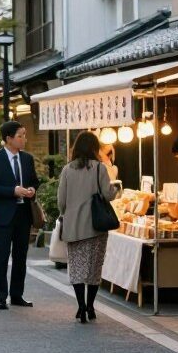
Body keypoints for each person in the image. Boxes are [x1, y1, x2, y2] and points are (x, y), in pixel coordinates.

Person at [59, 131, 116, 324]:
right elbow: (108, 195)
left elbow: (61, 201)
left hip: (73, 226)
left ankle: (80, 306)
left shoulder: (67, 169)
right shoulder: (99, 168)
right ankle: (90, 306)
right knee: (93, 267)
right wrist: (115, 189)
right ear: (94, 148)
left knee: (76, 267)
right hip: (95, 226)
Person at [0, 120, 39, 310]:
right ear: (8, 139)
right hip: (3, 214)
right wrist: (13, 190)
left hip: (24, 214)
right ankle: (1, 295)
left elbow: (34, 181)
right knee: (1, 255)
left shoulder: (27, 159)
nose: (24, 138)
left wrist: (31, 189)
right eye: (20, 135)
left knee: (21, 256)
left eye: (24, 135)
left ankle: (17, 294)